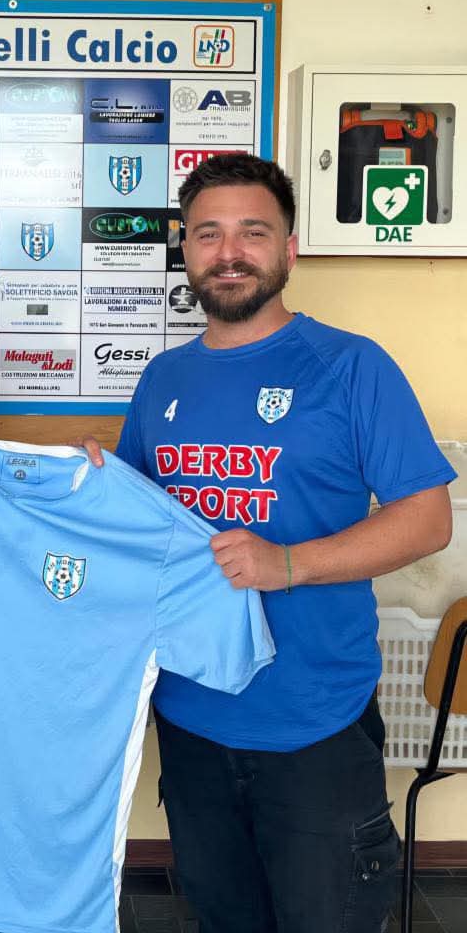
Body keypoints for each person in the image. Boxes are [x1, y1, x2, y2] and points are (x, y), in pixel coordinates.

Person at [111, 154, 455, 932]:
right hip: (190, 716)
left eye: (252, 232)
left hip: (314, 721)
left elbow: (426, 519)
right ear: (186, 250)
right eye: (207, 234)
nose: (228, 252)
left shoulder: (350, 366)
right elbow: (137, 525)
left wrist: (288, 564)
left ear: (289, 249)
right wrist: (84, 488)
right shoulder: (163, 380)